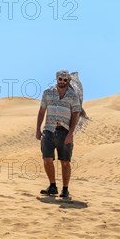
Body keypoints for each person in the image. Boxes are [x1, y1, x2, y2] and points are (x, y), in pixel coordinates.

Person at [35, 69, 81, 198]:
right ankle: (52, 186)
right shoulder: (48, 93)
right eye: (60, 79)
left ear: (69, 80)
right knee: (47, 159)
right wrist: (38, 129)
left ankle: (65, 189)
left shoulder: (73, 96)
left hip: (64, 131)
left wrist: (71, 133)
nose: (62, 82)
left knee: (65, 161)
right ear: (56, 79)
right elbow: (41, 111)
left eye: (65, 80)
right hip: (48, 130)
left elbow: (76, 114)